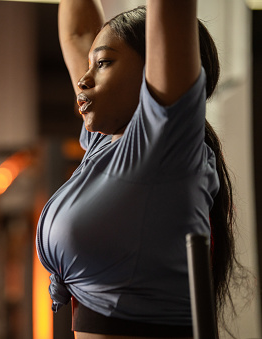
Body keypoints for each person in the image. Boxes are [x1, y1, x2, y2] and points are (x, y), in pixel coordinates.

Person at [35, 0, 240, 337]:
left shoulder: (162, 145)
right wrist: (95, 58)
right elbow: (78, 32)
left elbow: (172, 10)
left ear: (152, 72)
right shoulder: (105, 144)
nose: (83, 81)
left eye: (102, 63)